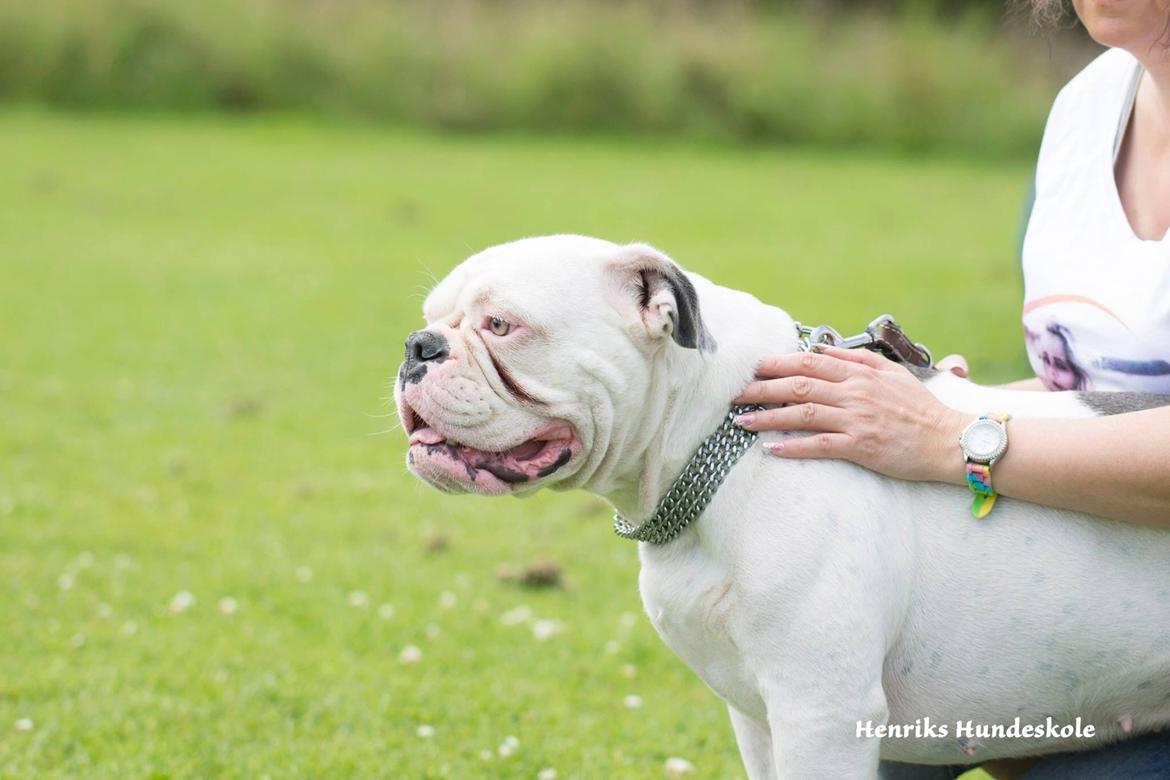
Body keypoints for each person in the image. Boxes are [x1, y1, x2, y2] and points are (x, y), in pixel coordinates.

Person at [733, 1, 1170, 777]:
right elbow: (1098, 382)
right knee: (873, 731)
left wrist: (958, 439)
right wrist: (950, 403)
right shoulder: (1088, 105)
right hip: (1100, 599)